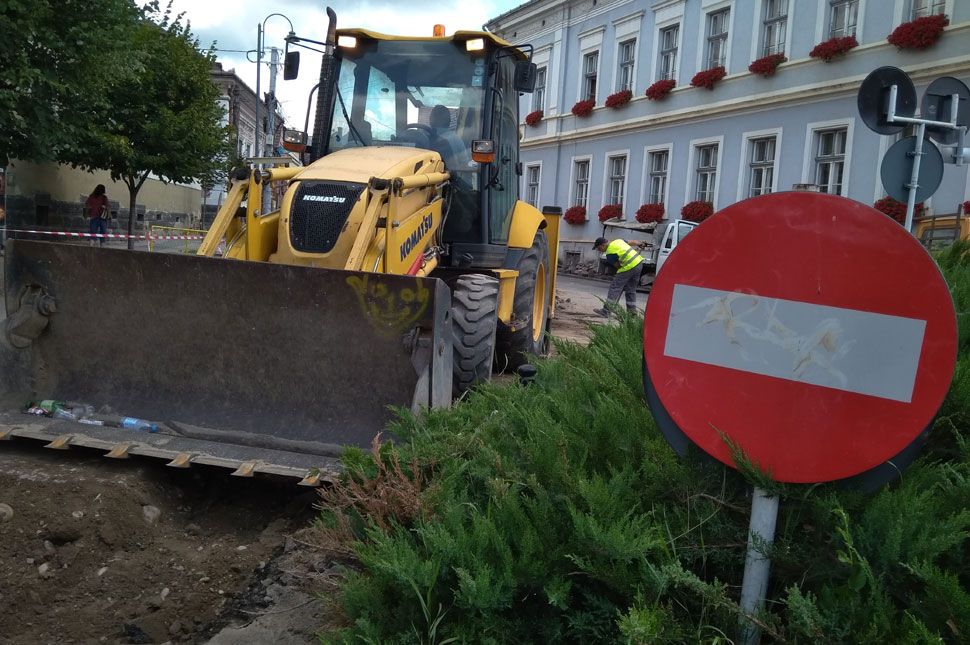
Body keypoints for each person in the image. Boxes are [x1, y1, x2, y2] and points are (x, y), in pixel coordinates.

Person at [592, 236, 647, 315]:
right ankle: (632, 313)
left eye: (599, 248)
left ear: (603, 245)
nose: (599, 250)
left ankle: (606, 311)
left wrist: (622, 276)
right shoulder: (618, 241)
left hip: (629, 267)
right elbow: (633, 242)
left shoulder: (610, 253)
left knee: (615, 288)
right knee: (631, 290)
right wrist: (640, 243)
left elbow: (618, 266)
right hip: (639, 264)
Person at [428, 105, 470, 171]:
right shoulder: (456, 139)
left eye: (433, 116)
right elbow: (464, 164)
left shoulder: (424, 136)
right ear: (449, 121)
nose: (430, 118)